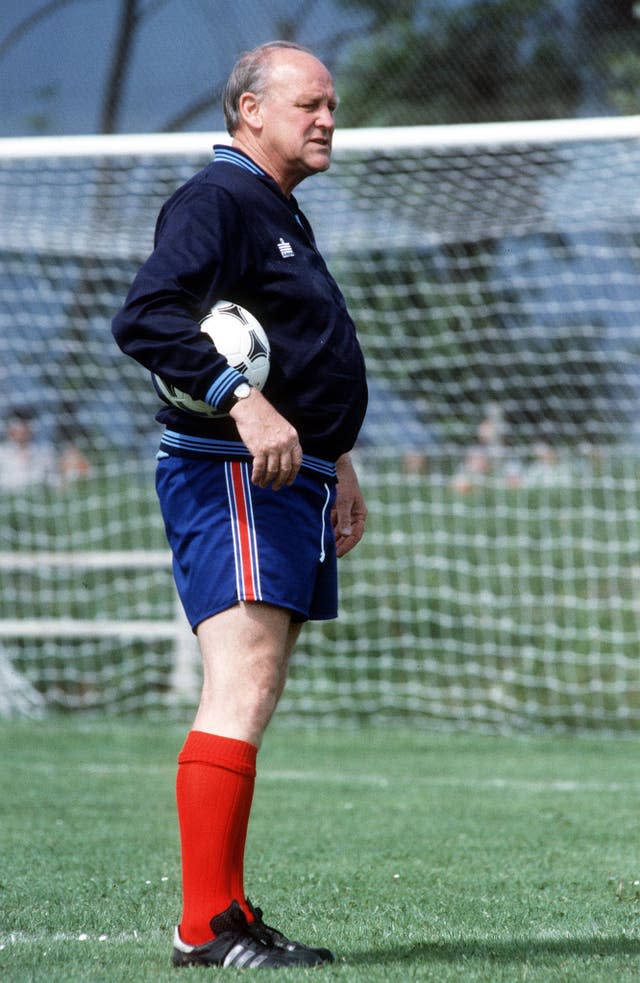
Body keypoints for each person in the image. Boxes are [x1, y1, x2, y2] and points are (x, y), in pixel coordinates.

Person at [112, 41, 368, 970]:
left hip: (291, 474)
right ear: (249, 110)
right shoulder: (218, 199)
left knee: (254, 688)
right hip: (235, 473)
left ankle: (223, 911)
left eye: (332, 105)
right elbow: (146, 316)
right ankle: (204, 927)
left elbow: (299, 347)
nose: (328, 119)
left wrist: (336, 455)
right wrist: (243, 399)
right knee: (240, 684)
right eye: (310, 104)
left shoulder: (275, 208)